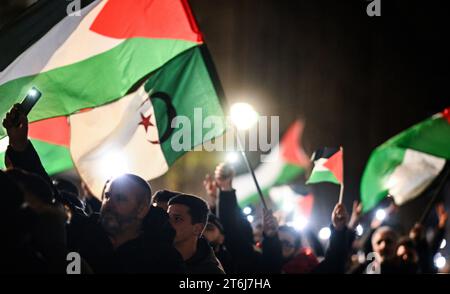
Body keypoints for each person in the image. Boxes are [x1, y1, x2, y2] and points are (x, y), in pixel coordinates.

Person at [3, 104, 185, 273]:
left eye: (121, 198)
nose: (109, 203)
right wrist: (20, 146)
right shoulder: (81, 230)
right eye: (107, 196)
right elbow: (49, 196)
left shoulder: (163, 260)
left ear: (142, 209)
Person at [167, 194, 225, 274]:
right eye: (167, 217)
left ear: (197, 229)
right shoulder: (154, 258)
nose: (168, 223)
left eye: (177, 219)